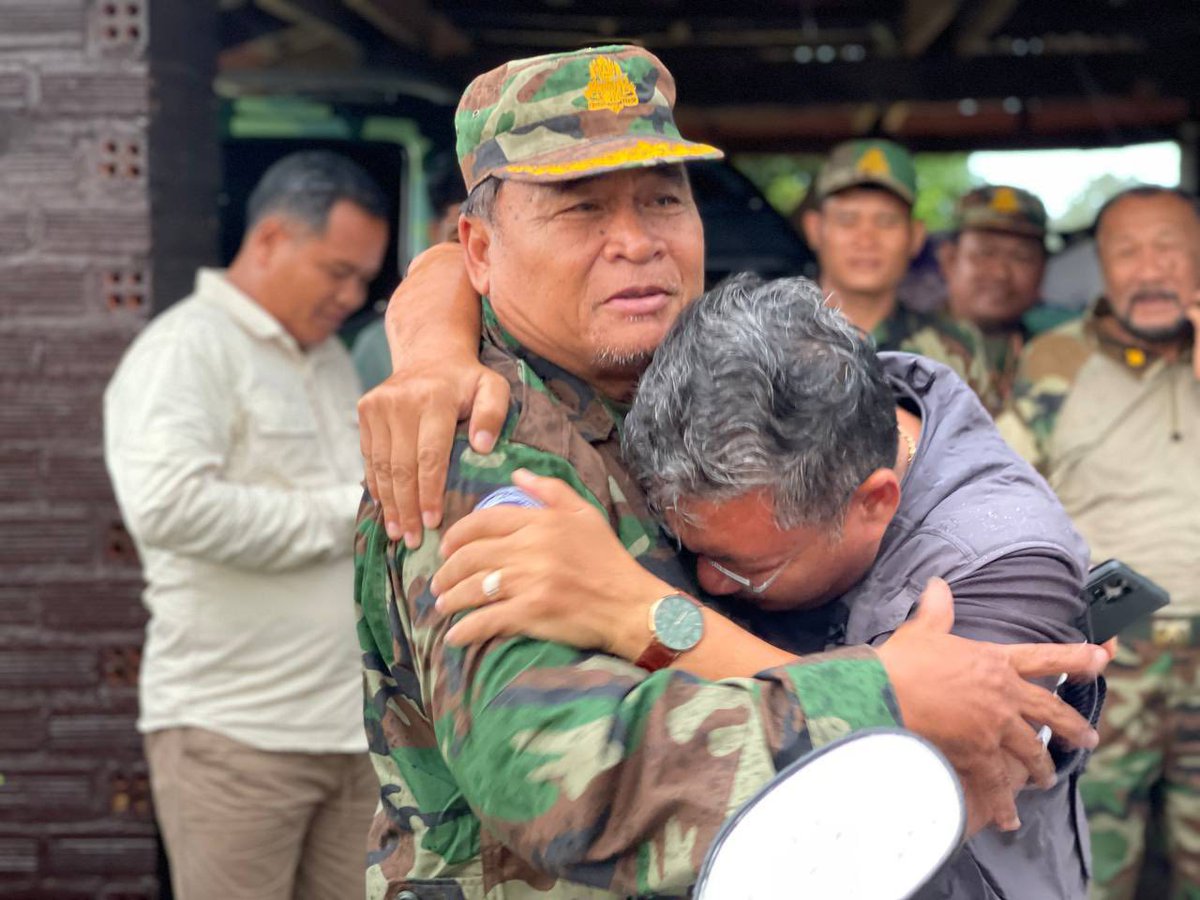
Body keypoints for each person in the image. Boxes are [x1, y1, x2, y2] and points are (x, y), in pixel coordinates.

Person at [355, 45, 1107, 899]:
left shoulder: (683, 378)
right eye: (580, 209)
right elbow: (567, 781)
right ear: (482, 250)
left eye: (664, 199)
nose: (636, 242)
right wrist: (879, 694)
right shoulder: (480, 447)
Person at [431, 272, 1102, 899]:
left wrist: (643, 615)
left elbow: (896, 785)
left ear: (872, 502)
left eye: (745, 567)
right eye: (687, 551)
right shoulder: (791, 381)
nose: (708, 583)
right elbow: (489, 251)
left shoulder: (1010, 557)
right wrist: (432, 334)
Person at [104, 151, 389, 900]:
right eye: (338, 271)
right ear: (269, 241)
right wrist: (350, 510)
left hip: (350, 731)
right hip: (235, 738)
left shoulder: (327, 358)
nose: (351, 296)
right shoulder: (185, 350)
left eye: (364, 279)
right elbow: (168, 505)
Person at [999, 185, 1200, 900]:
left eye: (1169, 247)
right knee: (1091, 865)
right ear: (1103, 267)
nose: (1150, 269)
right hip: (1108, 650)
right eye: (1127, 250)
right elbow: (1002, 506)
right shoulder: (1056, 359)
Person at [798, 139, 1001, 412]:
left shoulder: (954, 350)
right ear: (814, 229)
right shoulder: (766, 342)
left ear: (916, 237)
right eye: (848, 219)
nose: (866, 239)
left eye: (886, 221)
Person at [937, 185, 1076, 404]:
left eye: (1021, 257)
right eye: (985, 253)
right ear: (949, 259)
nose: (1000, 273)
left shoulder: (1063, 353)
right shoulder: (904, 351)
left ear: (1043, 269)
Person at [352, 155, 467, 391]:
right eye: (460, 238)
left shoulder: (544, 331)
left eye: (492, 241)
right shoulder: (383, 345)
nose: (479, 258)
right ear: (434, 234)